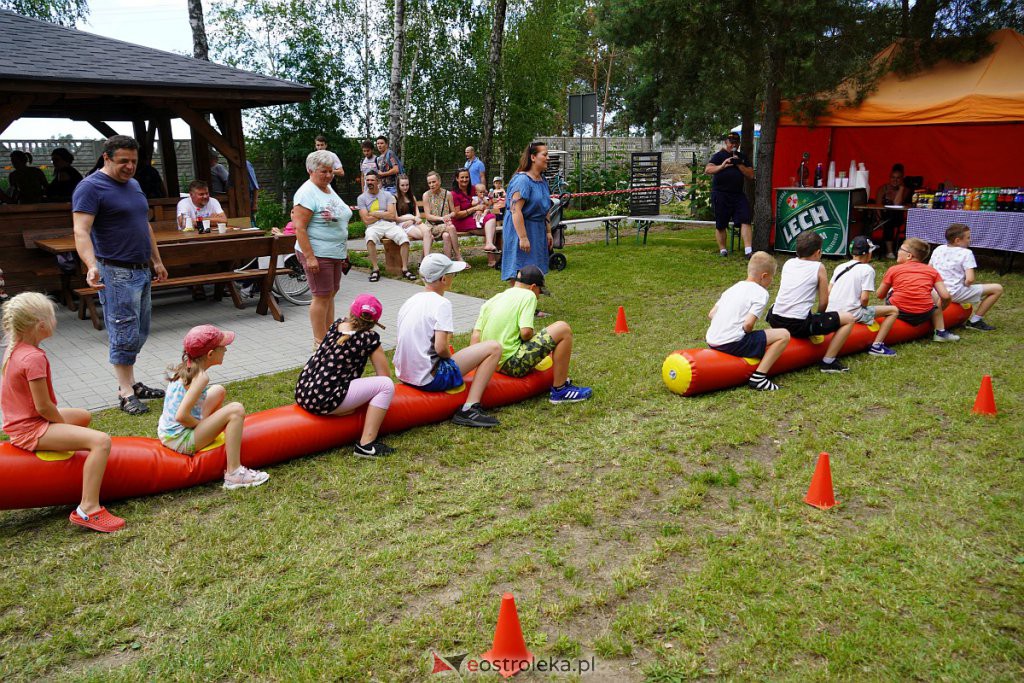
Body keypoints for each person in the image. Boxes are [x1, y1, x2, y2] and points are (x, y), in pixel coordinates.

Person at [1, 292, 124, 532]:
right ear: (41, 325)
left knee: (82, 416)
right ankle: (88, 509)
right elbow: (44, 407)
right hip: (31, 428)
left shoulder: (15, 349)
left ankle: (76, 471)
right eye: (53, 318)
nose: (56, 322)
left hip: (23, 422)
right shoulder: (33, 357)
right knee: (101, 441)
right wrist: (59, 425)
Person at [72, 135, 168, 415]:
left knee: (140, 330)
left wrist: (157, 261)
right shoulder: (90, 187)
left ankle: (133, 383)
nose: (129, 167)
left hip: (141, 270)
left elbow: (144, 225)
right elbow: (80, 230)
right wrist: (91, 264)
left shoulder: (134, 185)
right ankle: (125, 392)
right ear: (107, 158)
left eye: (134, 161)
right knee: (124, 332)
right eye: (123, 161)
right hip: (115, 272)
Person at [394, 253, 502, 427]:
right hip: (429, 379)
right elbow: (441, 347)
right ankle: (470, 408)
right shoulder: (441, 303)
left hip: (406, 375)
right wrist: (450, 361)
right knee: (494, 348)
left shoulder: (410, 301)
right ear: (444, 278)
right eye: (452, 274)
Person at [158, 325, 269, 490]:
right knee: (236, 409)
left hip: (167, 432)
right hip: (180, 439)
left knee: (218, 390)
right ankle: (234, 473)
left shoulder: (188, 366)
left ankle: (210, 430)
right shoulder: (201, 377)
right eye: (223, 347)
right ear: (210, 354)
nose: (226, 350)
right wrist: (200, 426)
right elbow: (181, 416)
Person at [473, 265, 593, 403]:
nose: (538, 297)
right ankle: (560, 391)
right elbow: (525, 332)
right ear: (533, 287)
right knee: (563, 329)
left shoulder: (494, 299)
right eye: (539, 292)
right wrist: (534, 337)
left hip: (492, 363)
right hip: (512, 364)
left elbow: (475, 337)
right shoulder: (528, 295)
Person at [295, 294, 397, 458]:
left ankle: (339, 408)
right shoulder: (369, 338)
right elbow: (384, 375)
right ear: (375, 322)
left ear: (351, 311)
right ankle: (366, 445)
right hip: (324, 400)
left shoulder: (337, 324)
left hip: (303, 392)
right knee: (385, 385)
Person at [767, 231, 858, 373]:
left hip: (775, 319)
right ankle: (829, 361)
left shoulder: (788, 263)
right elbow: (823, 302)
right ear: (818, 252)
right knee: (849, 319)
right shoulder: (818, 267)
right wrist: (818, 316)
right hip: (798, 324)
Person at [292, 150, 352, 348]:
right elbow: (299, 227)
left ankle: (330, 335)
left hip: (334, 251)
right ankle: (320, 342)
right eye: (323, 172)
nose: (328, 175)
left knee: (331, 292)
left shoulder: (326, 188)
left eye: (331, 171)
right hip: (317, 252)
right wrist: (309, 257)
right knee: (321, 295)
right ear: (310, 170)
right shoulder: (306, 192)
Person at [707, 252, 791, 391]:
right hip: (732, 344)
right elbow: (748, 324)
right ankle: (759, 377)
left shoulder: (733, 288)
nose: (771, 281)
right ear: (764, 276)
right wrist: (746, 334)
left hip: (712, 341)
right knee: (784, 335)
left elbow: (711, 314)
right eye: (772, 277)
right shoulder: (761, 292)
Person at [874, 237, 959, 346]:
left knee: (892, 291)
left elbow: (880, 295)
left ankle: (888, 320)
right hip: (924, 314)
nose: (898, 251)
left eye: (900, 249)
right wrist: (938, 309)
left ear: (909, 255)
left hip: (900, 312)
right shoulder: (932, 271)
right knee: (934, 301)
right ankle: (940, 332)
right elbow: (946, 296)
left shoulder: (893, 269)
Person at [826, 236, 901, 358]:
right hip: (852, 313)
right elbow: (864, 299)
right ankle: (877, 345)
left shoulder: (840, 267)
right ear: (867, 254)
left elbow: (829, 290)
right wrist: (864, 308)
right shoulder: (867, 269)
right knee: (893, 310)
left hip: (832, 312)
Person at [928, 223, 1003, 332]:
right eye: (968, 237)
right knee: (997, 288)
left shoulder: (939, 249)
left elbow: (929, 269)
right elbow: (970, 279)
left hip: (936, 291)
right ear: (957, 240)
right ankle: (975, 321)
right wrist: (967, 285)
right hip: (954, 292)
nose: (970, 240)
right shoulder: (966, 253)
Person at [502, 142, 552, 283]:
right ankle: (518, 303)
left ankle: (530, 302)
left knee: (535, 272)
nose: (548, 158)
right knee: (520, 270)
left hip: (537, 229)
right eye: (545, 154)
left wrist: (548, 231)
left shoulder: (542, 181)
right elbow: (515, 210)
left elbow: (545, 207)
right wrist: (523, 237)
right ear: (533, 157)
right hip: (520, 228)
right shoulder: (522, 180)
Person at [359, 170, 416, 282]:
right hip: (373, 226)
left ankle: (404, 269)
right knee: (370, 238)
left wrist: (374, 213)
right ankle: (375, 269)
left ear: (378, 181)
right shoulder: (361, 198)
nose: (369, 182)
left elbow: (391, 215)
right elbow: (366, 220)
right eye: (367, 180)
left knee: (404, 239)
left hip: (390, 224)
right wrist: (383, 214)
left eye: (372, 180)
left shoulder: (387, 195)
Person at [705, 132, 754, 258]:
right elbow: (708, 170)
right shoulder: (718, 156)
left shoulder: (742, 157)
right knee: (721, 223)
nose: (733, 144)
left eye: (736, 142)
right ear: (726, 142)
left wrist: (739, 164)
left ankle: (748, 251)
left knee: (746, 218)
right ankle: (723, 250)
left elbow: (751, 175)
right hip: (721, 194)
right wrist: (722, 165)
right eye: (731, 142)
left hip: (738, 194)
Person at [421, 170, 463, 261]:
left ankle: (447, 262)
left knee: (446, 236)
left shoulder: (447, 194)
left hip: (444, 225)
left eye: (434, 182)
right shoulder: (426, 195)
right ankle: (458, 256)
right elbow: (427, 216)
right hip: (431, 226)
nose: (431, 184)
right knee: (451, 227)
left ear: (439, 182)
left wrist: (449, 216)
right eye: (429, 183)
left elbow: (453, 212)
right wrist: (441, 218)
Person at [874, 163, 912, 259]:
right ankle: (889, 251)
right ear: (889, 177)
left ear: (902, 179)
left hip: (897, 217)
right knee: (887, 221)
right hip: (881, 216)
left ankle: (890, 251)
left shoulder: (905, 190)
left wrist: (901, 188)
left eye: (898, 178)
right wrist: (879, 219)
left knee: (890, 221)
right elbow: (877, 206)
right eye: (893, 177)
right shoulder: (883, 189)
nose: (895, 180)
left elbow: (897, 203)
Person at [395, 174, 434, 256]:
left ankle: (424, 260)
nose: (405, 187)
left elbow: (418, 215)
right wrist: (411, 219)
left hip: (414, 221)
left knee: (427, 231)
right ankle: (426, 260)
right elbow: (396, 218)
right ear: (398, 186)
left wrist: (412, 220)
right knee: (430, 237)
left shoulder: (412, 197)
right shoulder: (394, 198)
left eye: (407, 185)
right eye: (402, 185)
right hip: (403, 224)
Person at [450, 169, 483, 234]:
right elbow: (457, 215)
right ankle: (489, 242)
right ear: (457, 179)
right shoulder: (453, 194)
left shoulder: (474, 189)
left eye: (466, 177)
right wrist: (474, 209)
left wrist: (480, 209)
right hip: (460, 221)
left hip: (475, 217)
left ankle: (490, 243)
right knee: (488, 226)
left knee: (491, 217)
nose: (464, 180)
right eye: (462, 177)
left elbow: (484, 201)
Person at [474, 183, 500, 253]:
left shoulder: (485, 198)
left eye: (483, 192)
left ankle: (483, 217)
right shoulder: (475, 198)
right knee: (479, 212)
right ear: (476, 192)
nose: (482, 194)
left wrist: (484, 198)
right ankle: (479, 221)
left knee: (487, 210)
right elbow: (473, 204)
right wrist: (478, 201)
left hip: (484, 212)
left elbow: (488, 204)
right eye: (480, 192)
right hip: (477, 211)